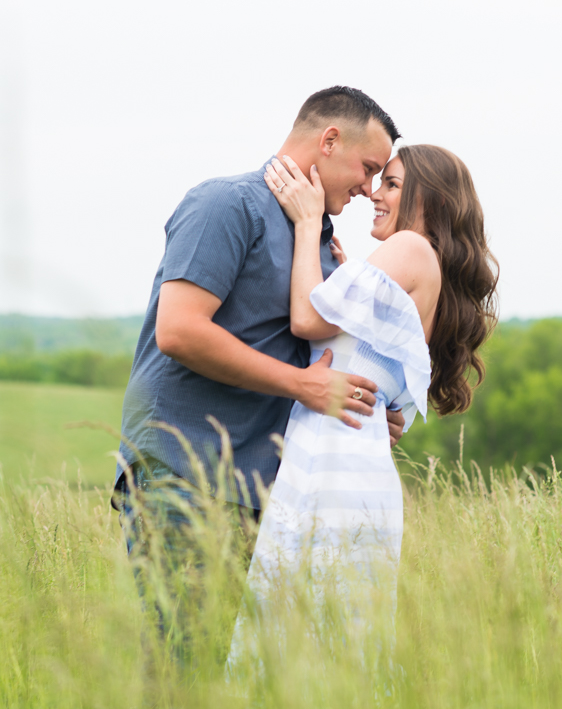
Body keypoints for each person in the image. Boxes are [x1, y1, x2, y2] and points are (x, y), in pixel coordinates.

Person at [114, 87, 407, 579]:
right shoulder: (226, 204)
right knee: (182, 653)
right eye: (369, 167)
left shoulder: (316, 236)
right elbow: (179, 331)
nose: (368, 187)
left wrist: (372, 408)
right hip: (184, 476)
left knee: (242, 657)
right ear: (330, 140)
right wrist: (303, 386)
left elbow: (315, 348)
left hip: (269, 494)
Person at [227, 143, 499, 668]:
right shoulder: (423, 266)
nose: (374, 193)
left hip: (334, 466)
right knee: (330, 639)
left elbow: (308, 321)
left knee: (295, 636)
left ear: (430, 201)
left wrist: (308, 224)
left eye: (392, 184)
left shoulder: (412, 250)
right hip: (349, 460)